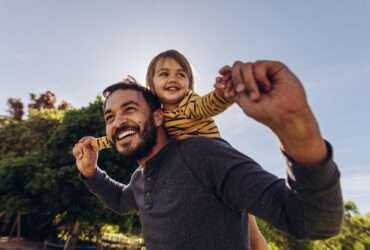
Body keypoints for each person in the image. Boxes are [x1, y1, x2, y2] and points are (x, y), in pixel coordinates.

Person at [73, 60, 343, 250]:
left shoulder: (202, 154)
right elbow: (121, 201)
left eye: (129, 109)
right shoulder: (141, 179)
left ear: (158, 116)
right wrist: (91, 173)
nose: (117, 121)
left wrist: (296, 127)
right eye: (110, 116)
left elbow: (311, 220)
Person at [91, 50, 267, 248]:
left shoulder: (189, 104)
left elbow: (207, 105)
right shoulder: (157, 119)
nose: (173, 79)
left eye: (181, 74)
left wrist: (222, 95)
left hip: (210, 165)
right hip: (195, 172)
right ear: (152, 86)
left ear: (189, 84)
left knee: (251, 230)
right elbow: (122, 134)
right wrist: (95, 147)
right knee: (248, 225)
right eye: (164, 74)